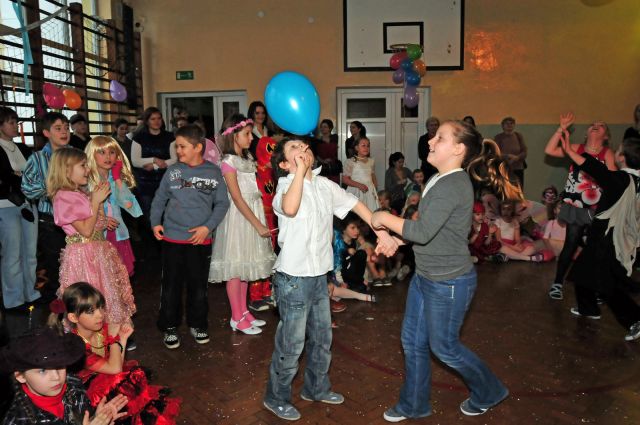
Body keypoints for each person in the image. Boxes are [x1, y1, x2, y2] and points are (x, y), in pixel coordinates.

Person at [371, 120, 509, 422]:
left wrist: (381, 217)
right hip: (426, 276)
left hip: (449, 283)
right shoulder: (439, 178)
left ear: (458, 149)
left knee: (445, 348)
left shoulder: (453, 185)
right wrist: (398, 239)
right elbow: (431, 228)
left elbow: (422, 231)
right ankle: (414, 405)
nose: (431, 141)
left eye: (440, 138)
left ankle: (490, 391)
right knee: (412, 341)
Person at [263, 137, 398, 421]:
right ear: (284, 164)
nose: (302, 149)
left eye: (303, 145)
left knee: (322, 338)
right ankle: (276, 397)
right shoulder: (285, 187)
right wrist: (300, 172)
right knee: (291, 344)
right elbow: (290, 208)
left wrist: (381, 233)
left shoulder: (325, 185)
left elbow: (358, 206)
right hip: (293, 279)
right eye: (294, 148)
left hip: (319, 277)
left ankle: (316, 388)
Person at [49, 282, 181, 423]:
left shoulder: (101, 330)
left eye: (101, 307)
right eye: (91, 311)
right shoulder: (76, 346)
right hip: (88, 397)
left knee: (129, 387)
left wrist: (122, 339)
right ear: (73, 317)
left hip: (108, 382)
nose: (100, 315)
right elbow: (115, 368)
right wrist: (113, 338)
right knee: (121, 384)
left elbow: (118, 363)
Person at [151, 124, 230, 348]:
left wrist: (207, 227)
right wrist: (155, 222)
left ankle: (198, 324)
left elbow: (222, 203)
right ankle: (169, 326)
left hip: (200, 241)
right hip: (172, 240)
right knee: (171, 286)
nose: (178, 151)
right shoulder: (172, 172)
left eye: (182, 146)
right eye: (177, 146)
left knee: (198, 286)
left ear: (197, 148)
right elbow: (159, 199)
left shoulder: (213, 172)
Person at [558, 132, 640, 341]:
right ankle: (588, 308)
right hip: (614, 237)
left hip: (607, 238)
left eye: (618, 150)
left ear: (622, 157)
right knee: (583, 269)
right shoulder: (636, 181)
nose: (615, 152)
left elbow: (595, 168)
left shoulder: (622, 179)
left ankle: (634, 319)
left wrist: (569, 152)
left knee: (606, 283)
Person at [47, 148, 136, 327]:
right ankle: (90, 338)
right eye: (83, 166)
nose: (88, 169)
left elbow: (94, 222)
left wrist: (101, 209)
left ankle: (107, 335)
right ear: (66, 170)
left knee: (105, 294)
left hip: (97, 253)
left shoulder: (80, 193)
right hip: (84, 257)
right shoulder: (63, 197)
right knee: (89, 298)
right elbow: (86, 231)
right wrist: (95, 201)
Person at [208, 114, 275, 335]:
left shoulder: (247, 159)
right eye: (247, 134)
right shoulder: (228, 162)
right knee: (235, 269)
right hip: (239, 219)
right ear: (234, 136)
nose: (251, 138)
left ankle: (244, 311)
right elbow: (237, 198)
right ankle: (236, 317)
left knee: (245, 267)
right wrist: (258, 225)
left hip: (252, 213)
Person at [544, 112, 616, 301]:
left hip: (597, 207)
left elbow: (613, 180)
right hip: (576, 205)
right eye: (593, 123)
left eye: (601, 125)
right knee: (571, 243)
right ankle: (557, 283)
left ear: (606, 136)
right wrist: (561, 128)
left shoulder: (607, 153)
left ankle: (597, 287)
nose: (596, 125)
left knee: (597, 247)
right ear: (586, 132)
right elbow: (550, 150)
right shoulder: (576, 148)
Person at [0, 326, 128, 425]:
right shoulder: (17, 420)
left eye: (60, 365)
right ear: (20, 376)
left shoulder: (73, 384)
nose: (56, 377)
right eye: (43, 371)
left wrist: (97, 418)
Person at [21, 112, 70, 303]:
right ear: (46, 133)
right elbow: (26, 188)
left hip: (77, 219)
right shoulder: (37, 158)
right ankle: (56, 305)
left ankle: (76, 302)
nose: (64, 132)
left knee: (76, 262)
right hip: (51, 221)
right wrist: (49, 186)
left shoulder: (76, 154)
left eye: (66, 127)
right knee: (54, 264)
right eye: (58, 128)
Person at [0, 106, 41, 309]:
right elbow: (5, 178)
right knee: (12, 254)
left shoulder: (22, 148)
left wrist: (18, 176)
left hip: (28, 204)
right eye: (11, 122)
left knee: (30, 253)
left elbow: (35, 174)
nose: (16, 126)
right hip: (5, 206)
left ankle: (30, 293)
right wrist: (18, 177)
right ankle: (13, 300)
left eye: (16, 122)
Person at [85, 136, 141, 277]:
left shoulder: (115, 179)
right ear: (92, 154)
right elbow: (82, 210)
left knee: (120, 276)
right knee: (101, 277)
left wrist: (117, 179)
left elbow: (130, 206)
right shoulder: (86, 181)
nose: (108, 157)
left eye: (111, 152)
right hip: (97, 236)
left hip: (117, 233)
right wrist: (102, 220)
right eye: (102, 152)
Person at [130, 107, 177, 218]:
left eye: (159, 118)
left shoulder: (170, 136)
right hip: (144, 183)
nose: (157, 121)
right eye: (153, 119)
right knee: (148, 215)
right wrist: (154, 159)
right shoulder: (138, 137)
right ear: (147, 121)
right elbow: (135, 161)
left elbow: (174, 159)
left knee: (166, 214)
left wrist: (155, 166)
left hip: (165, 181)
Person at [342, 138, 379, 212]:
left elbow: (372, 175)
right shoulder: (350, 162)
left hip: (369, 191)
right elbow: (345, 179)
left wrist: (374, 186)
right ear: (356, 148)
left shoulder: (371, 161)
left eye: (368, 146)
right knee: (357, 212)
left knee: (370, 211)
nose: (366, 148)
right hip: (356, 190)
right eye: (363, 145)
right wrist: (359, 185)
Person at [494, 116, 527, 188]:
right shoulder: (498, 137)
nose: (509, 125)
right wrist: (508, 156)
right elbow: (496, 153)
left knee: (518, 188)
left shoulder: (518, 136)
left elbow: (524, 151)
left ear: (514, 125)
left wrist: (517, 158)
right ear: (502, 126)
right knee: (505, 188)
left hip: (518, 168)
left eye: (511, 123)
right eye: (507, 123)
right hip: (504, 168)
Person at [314, 118, 342, 184]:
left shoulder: (335, 137)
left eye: (325, 127)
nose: (322, 128)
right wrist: (323, 161)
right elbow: (316, 154)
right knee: (323, 185)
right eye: (321, 127)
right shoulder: (317, 140)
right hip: (322, 167)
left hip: (334, 167)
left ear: (330, 128)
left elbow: (336, 150)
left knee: (334, 186)